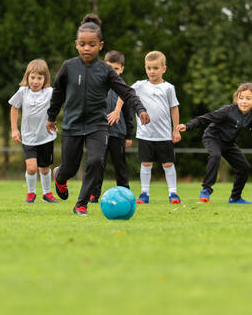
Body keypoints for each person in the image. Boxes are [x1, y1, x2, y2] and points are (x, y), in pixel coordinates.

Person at [47, 14, 150, 216]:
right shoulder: (68, 67)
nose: (87, 48)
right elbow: (58, 92)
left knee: (96, 161)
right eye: (83, 44)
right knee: (69, 167)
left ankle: (81, 204)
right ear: (76, 44)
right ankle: (60, 176)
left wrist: (140, 109)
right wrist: (51, 117)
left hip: (97, 125)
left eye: (92, 44)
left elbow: (127, 91)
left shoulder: (106, 70)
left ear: (100, 46)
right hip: (72, 124)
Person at [176, 82, 252, 204]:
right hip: (212, 138)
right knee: (215, 156)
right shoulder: (227, 111)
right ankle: (206, 190)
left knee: (244, 167)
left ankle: (235, 198)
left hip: (228, 143)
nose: (244, 101)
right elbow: (205, 118)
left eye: (248, 98)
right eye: (241, 98)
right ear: (237, 99)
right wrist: (187, 126)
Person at [110, 51, 181, 204]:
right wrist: (117, 111)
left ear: (164, 69)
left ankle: (173, 194)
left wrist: (175, 129)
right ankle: (144, 193)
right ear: (145, 68)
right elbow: (123, 95)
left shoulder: (168, 88)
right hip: (145, 135)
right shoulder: (139, 85)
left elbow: (174, 108)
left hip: (163, 135)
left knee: (168, 164)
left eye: (155, 68)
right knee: (145, 164)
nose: (152, 71)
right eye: (149, 68)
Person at [9, 59, 59, 204]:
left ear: (45, 79)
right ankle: (31, 193)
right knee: (31, 168)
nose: (35, 81)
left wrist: (53, 120)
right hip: (29, 137)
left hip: (46, 137)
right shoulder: (23, 92)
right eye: (32, 77)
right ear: (27, 77)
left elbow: (59, 104)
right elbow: (14, 107)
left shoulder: (50, 92)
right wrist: (14, 129)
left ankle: (47, 194)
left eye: (39, 78)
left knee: (44, 169)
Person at [88, 50, 134, 203]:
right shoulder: (96, 85)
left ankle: (125, 192)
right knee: (98, 164)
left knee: (119, 165)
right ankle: (94, 194)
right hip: (99, 133)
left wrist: (128, 135)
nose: (112, 71)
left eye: (115, 69)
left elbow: (129, 114)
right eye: (109, 67)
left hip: (118, 133)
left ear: (121, 69)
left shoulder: (123, 88)